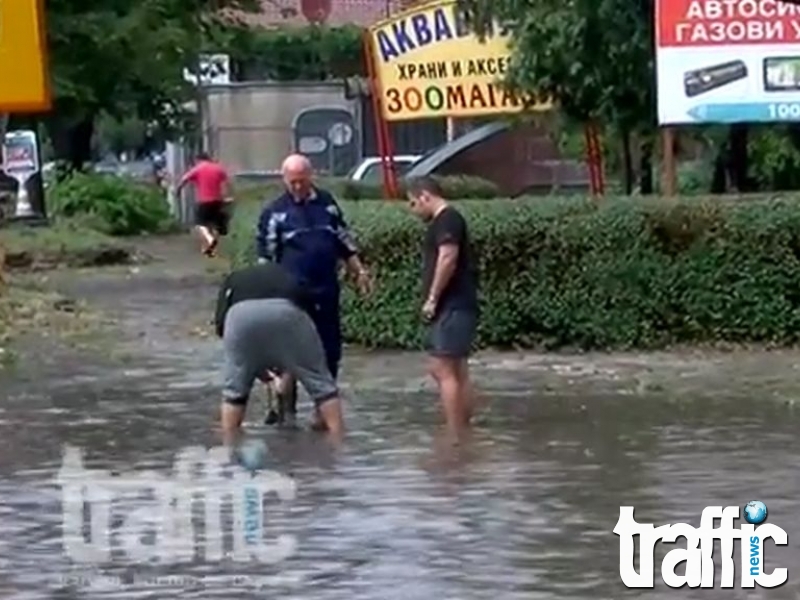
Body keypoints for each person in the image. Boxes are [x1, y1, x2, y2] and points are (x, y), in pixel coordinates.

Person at [256, 154, 372, 423]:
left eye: (302, 181)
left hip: (326, 289)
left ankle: (323, 412)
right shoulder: (274, 213)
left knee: (329, 350)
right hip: (290, 294)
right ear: (284, 180)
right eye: (292, 182)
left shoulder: (327, 204)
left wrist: (359, 271)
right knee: (288, 352)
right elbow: (266, 258)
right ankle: (286, 410)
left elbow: (343, 240)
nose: (297, 186)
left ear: (311, 177)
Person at [214, 262, 345, 442]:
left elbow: (221, 326)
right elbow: (309, 317)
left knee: (234, 391)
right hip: (288, 311)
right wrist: (297, 364)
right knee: (321, 383)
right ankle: (337, 441)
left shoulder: (233, 278)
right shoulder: (291, 274)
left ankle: (229, 443)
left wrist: (254, 368)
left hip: (239, 316)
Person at [406, 176, 480, 435]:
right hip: (460, 304)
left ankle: (454, 432)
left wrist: (433, 298)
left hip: (452, 304)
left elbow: (448, 257)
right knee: (457, 369)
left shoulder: (446, 220)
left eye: (414, 203)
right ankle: (462, 429)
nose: (413, 210)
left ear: (425, 195)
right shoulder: (450, 219)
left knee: (442, 368)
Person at [176, 152, 231, 257]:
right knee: (214, 224)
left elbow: (184, 179)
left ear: (198, 160)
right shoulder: (218, 168)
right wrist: (228, 197)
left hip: (204, 201)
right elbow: (227, 183)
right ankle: (209, 250)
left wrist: (178, 191)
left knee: (200, 224)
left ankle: (210, 240)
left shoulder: (198, 168)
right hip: (218, 201)